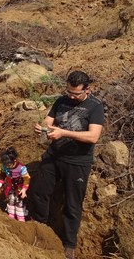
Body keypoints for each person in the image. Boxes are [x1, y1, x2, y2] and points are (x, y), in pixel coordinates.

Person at [32, 70, 104, 259]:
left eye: (76, 93)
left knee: (73, 204)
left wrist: (64, 133)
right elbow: (49, 121)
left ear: (87, 89)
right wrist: (43, 128)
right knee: (39, 191)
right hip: (54, 155)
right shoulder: (61, 101)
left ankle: (69, 244)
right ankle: (39, 228)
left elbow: (93, 136)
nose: (71, 96)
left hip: (78, 162)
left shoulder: (95, 107)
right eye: (69, 91)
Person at [0, 147, 30, 222]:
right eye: (6, 165)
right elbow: (2, 175)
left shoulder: (21, 168)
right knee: (11, 200)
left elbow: (26, 179)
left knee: (19, 201)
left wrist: (24, 189)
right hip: (10, 186)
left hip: (19, 187)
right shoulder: (5, 167)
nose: (7, 167)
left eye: (9, 165)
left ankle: (20, 217)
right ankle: (11, 215)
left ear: (14, 161)